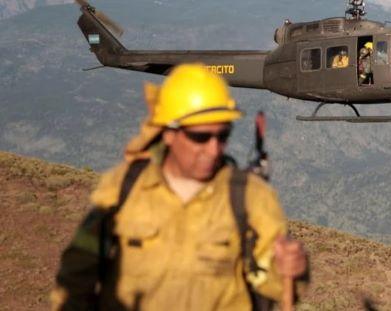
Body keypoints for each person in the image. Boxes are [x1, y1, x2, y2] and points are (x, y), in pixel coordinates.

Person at [52, 64, 307, 311]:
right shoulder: (122, 189)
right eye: (200, 137)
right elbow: (74, 280)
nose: (214, 149)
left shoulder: (250, 196)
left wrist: (291, 268)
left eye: (223, 136)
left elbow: (273, 285)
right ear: (169, 134)